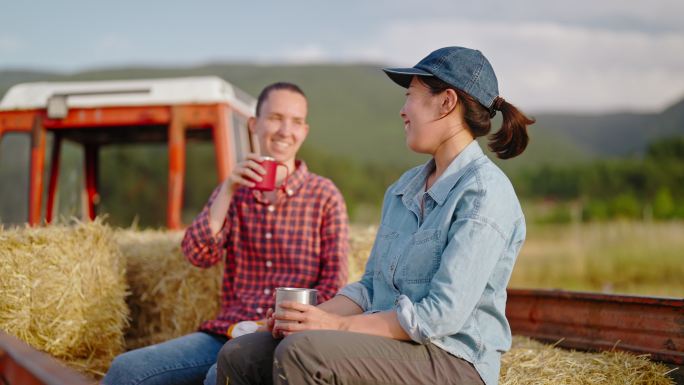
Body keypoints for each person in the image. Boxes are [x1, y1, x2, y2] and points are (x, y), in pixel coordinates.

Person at [215, 46, 535, 385]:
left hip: (453, 358)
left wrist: (335, 326)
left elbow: (439, 317)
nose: (402, 110)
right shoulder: (403, 188)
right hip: (393, 345)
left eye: (410, 95)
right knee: (240, 354)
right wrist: (310, 316)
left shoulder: (484, 194)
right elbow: (370, 288)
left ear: (447, 102)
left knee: (302, 352)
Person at [102, 82, 350, 385]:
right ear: (253, 125)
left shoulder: (325, 195)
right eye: (275, 118)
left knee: (218, 377)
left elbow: (334, 286)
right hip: (229, 331)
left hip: (286, 340)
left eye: (296, 121)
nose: (286, 130)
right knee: (126, 370)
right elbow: (197, 254)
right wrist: (228, 188)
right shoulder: (234, 191)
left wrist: (281, 322)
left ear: (305, 131)